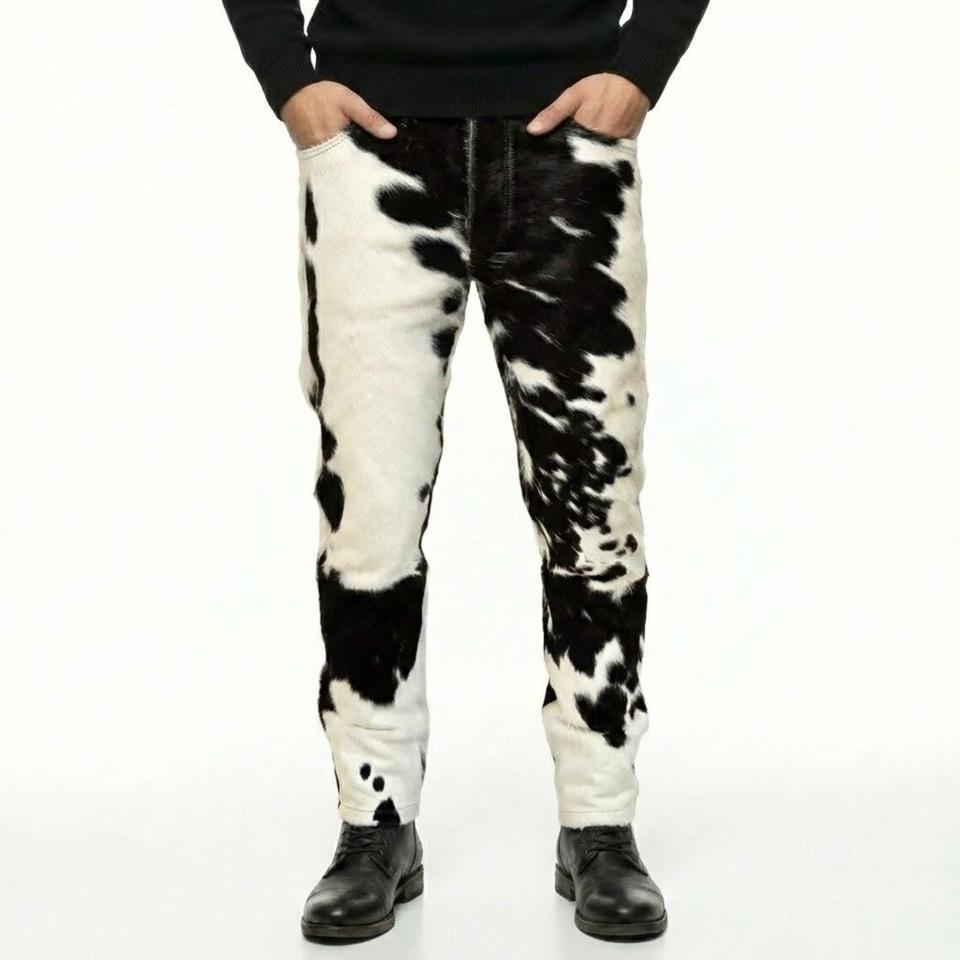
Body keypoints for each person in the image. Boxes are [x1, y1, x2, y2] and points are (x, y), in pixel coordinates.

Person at [223, 0, 709, 943]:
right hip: (372, 145)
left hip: (572, 143)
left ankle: (599, 823)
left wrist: (641, 68)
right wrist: (289, 82)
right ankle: (375, 823)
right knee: (368, 514)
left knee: (594, 507)